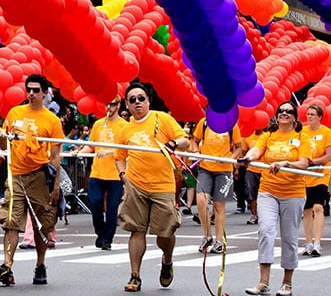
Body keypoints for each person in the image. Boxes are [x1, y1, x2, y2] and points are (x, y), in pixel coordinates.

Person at [115, 81, 188, 293]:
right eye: (132, 100)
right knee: (136, 230)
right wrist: (123, 175)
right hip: (135, 184)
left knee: (165, 233)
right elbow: (119, 157)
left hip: (163, 185)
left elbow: (184, 140)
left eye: (141, 98)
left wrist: (173, 145)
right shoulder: (125, 130)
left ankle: (167, 260)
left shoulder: (161, 119)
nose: (137, 103)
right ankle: (135, 276)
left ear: (148, 100)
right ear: (127, 105)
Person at [0, 74, 64, 287]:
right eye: (28, 89)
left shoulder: (52, 120)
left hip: (39, 177)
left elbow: (55, 156)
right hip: (15, 176)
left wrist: (56, 186)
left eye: (35, 90)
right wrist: (2, 138)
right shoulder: (14, 113)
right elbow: (4, 147)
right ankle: (7, 266)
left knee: (42, 223)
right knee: (11, 221)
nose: (31, 93)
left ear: (43, 93)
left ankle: (40, 265)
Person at [241, 101, 310, 296]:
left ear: (294, 117)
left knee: (289, 237)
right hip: (268, 190)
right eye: (281, 111)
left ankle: (287, 283)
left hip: (293, 193)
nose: (284, 114)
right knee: (265, 231)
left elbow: (304, 163)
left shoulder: (301, 137)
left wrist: (286, 162)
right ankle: (263, 282)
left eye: (289, 111)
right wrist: (249, 156)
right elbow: (256, 150)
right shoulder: (268, 136)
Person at [80, 95, 128, 250]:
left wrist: (108, 152)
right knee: (94, 203)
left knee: (112, 208)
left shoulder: (124, 126)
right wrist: (80, 151)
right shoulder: (99, 124)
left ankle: (107, 239)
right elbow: (91, 146)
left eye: (113, 104)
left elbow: (126, 150)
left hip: (115, 172)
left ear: (119, 105)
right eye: (107, 104)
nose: (109, 108)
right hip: (97, 171)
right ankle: (101, 233)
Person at [191, 112, 243, 255]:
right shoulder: (204, 122)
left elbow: (239, 147)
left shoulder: (232, 125)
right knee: (201, 201)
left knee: (219, 206)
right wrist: (196, 152)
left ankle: (219, 240)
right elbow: (194, 140)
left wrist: (230, 158)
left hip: (224, 170)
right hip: (205, 168)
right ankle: (207, 236)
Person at [299, 103, 331, 256]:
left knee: (317, 207)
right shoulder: (302, 132)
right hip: (304, 176)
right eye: (308, 114)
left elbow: (329, 156)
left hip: (321, 175)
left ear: (320, 117)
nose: (310, 117)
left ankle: (317, 242)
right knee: (306, 210)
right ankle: (308, 242)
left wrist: (313, 162)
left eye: (313, 114)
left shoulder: (327, 132)